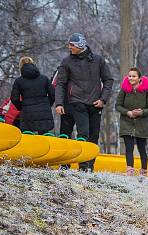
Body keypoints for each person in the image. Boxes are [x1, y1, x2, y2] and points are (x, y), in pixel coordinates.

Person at [54, 33, 114, 171]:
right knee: (82, 133)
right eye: (69, 44)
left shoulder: (98, 60)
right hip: (76, 102)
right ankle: (79, 165)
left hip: (95, 104)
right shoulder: (66, 61)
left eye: (72, 45)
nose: (69, 47)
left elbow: (108, 80)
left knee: (94, 136)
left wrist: (103, 99)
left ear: (80, 46)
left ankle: (89, 167)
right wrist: (59, 103)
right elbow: (60, 83)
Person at [115, 67, 148, 176]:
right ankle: (129, 170)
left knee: (142, 148)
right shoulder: (124, 90)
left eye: (134, 76)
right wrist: (127, 112)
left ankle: (144, 171)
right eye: (129, 76)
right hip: (126, 123)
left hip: (141, 124)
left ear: (139, 78)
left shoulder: (146, 91)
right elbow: (118, 106)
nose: (131, 78)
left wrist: (142, 112)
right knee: (129, 147)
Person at [10, 57, 55, 134]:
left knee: (28, 137)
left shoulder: (19, 81)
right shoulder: (44, 79)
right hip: (43, 112)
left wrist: (21, 107)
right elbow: (53, 94)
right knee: (44, 137)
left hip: (27, 113)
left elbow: (14, 98)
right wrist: (47, 104)